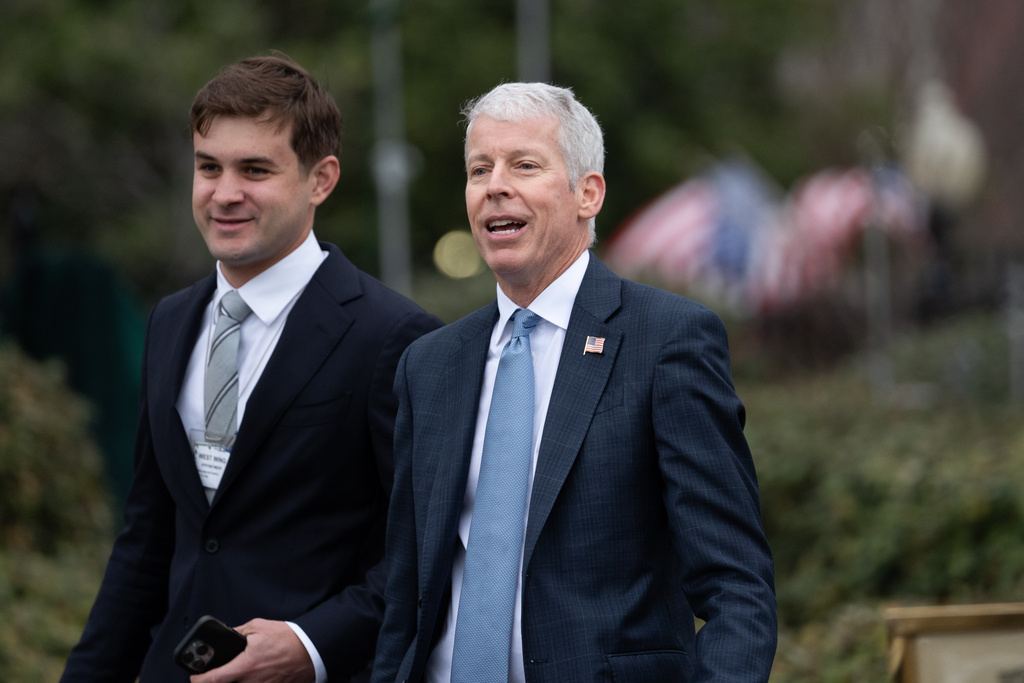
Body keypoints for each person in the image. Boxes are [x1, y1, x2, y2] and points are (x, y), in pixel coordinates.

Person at [371, 82, 778, 683]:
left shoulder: (667, 340)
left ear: (587, 193)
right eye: (479, 169)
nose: (494, 186)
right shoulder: (429, 365)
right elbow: (406, 595)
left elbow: (735, 584)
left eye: (524, 165)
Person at [61, 54, 441, 683]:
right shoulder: (168, 322)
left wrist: (312, 644)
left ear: (321, 180)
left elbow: (423, 550)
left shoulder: (394, 337)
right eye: (208, 167)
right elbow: (147, 540)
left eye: (255, 170)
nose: (225, 192)